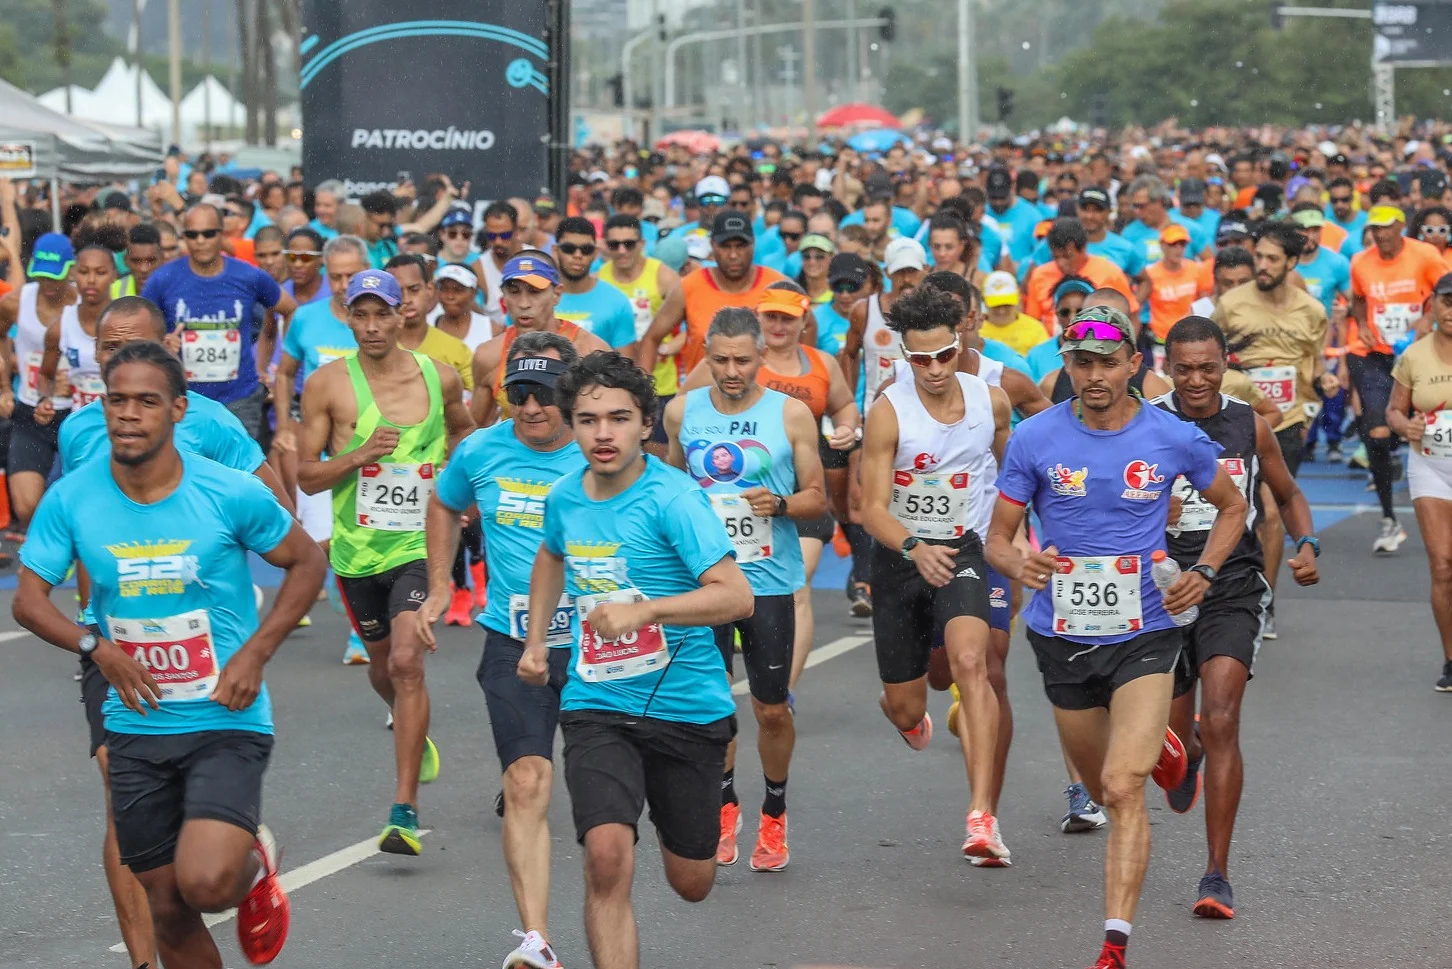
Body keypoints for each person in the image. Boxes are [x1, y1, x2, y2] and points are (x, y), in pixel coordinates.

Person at [13, 339, 326, 969]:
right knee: (169, 908)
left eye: (146, 402)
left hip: (223, 717)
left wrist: (255, 654)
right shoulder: (73, 497)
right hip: (135, 724)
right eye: (117, 400)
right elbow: (28, 599)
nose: (129, 414)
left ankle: (250, 869)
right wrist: (96, 648)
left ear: (179, 410)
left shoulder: (225, 491)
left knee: (205, 883)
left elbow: (306, 561)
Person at [986, 304, 1248, 969]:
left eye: (1107, 361)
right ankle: (1164, 743)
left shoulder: (1172, 435)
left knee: (1125, 786)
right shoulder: (1034, 438)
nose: (1094, 375)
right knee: (1104, 786)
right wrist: (1022, 562)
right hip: (1061, 633)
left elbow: (1233, 506)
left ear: (1135, 363)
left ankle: (1114, 944)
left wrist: (1207, 569)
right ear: (1065, 364)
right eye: (1080, 361)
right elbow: (997, 539)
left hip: (1146, 630)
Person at [519, 350, 753, 969]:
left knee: (692, 882)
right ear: (571, 424)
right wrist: (538, 641)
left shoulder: (675, 499)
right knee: (606, 856)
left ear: (646, 423)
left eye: (618, 418)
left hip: (686, 708)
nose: (602, 433)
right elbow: (551, 555)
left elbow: (736, 597)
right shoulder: (565, 496)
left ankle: (705, 802)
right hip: (597, 702)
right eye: (588, 419)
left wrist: (646, 612)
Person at [419, 332, 585, 969]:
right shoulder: (481, 450)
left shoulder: (602, 451)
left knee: (610, 815)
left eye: (545, 393)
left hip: (604, 645)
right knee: (527, 781)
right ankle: (536, 939)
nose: (532, 406)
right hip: (515, 641)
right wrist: (440, 584)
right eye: (520, 393)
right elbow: (443, 503)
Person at [296, 269, 474, 854]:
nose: (372, 326)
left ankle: (402, 810)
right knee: (382, 670)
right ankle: (412, 728)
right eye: (360, 314)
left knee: (405, 661)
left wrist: (460, 493)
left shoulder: (440, 377)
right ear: (347, 316)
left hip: (420, 546)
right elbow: (307, 475)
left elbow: (465, 435)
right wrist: (359, 454)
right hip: (356, 552)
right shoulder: (327, 385)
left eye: (382, 314)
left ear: (404, 314)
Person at [1155, 315, 1320, 920]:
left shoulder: (1248, 425)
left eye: (1207, 366)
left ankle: (1216, 873)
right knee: (1169, 740)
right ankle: (1185, 751)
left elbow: (1289, 493)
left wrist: (1307, 545)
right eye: (1184, 368)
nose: (1196, 379)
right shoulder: (1147, 424)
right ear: (1167, 367)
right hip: (1161, 590)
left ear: (1225, 363)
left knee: (1222, 717)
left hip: (1232, 585)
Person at [664, 306, 826, 871]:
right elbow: (668, 488)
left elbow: (817, 498)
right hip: (707, 582)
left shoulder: (793, 415)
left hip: (768, 584)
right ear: (704, 356)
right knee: (711, 704)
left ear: (763, 356)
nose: (731, 371)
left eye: (743, 360)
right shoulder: (682, 412)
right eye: (720, 359)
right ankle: (725, 804)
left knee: (771, 708)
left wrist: (780, 504)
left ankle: (775, 813)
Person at [858, 284, 1016, 863]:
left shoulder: (990, 401)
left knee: (973, 665)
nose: (930, 369)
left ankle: (982, 817)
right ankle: (901, 712)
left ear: (960, 343)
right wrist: (913, 546)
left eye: (942, 355)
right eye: (917, 359)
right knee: (908, 704)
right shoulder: (888, 412)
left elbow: (1015, 472)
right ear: (903, 355)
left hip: (964, 550)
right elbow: (869, 507)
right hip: (901, 558)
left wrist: (1018, 534)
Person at [1211, 221, 1329, 636]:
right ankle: (1230, 591)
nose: (1261, 265)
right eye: (1258, 256)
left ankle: (1265, 601)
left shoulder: (1312, 311)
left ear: (1292, 262)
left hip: (1287, 421)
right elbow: (1210, 355)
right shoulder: (1231, 304)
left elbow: (1313, 365)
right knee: (1240, 508)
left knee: (1273, 511)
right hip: (1236, 418)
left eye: (1271, 259)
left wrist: (1324, 381)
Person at [143, 204, 298, 440]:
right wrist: (160, 346)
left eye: (209, 233)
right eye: (192, 234)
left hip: (240, 399)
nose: (201, 240)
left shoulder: (248, 276)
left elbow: (289, 310)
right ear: (184, 237)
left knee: (240, 473)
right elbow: (141, 328)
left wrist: (274, 364)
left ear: (222, 234)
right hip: (184, 400)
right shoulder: (163, 279)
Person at [1348, 204, 1446, 554]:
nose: (1381, 234)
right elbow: (1358, 298)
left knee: (1430, 424)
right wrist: (1360, 324)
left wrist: (1427, 319)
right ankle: (1390, 518)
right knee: (1376, 432)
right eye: (1375, 228)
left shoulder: (1425, 255)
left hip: (1419, 352)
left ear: (1402, 226)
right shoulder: (1361, 261)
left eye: (1387, 227)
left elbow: (1445, 288)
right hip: (1374, 355)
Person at [1387, 273, 1452, 691]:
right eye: (1447, 302)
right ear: (1433, 305)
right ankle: (1451, 658)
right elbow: (1394, 411)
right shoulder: (1414, 355)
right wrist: (1403, 426)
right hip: (1432, 467)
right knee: (1443, 566)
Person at [634, 212, 788, 379]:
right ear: (712, 245)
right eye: (725, 246)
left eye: (741, 246)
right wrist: (643, 392)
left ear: (753, 245)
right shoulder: (690, 286)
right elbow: (650, 339)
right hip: (704, 398)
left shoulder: (776, 286)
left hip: (765, 398)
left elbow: (805, 328)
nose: (734, 255)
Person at [471, 253, 610, 426]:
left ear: (557, 294)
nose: (523, 303)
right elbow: (476, 429)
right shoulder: (488, 356)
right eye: (514, 292)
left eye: (534, 292)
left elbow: (612, 421)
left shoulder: (590, 351)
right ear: (503, 296)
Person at [1, 232, 77, 533]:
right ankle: (53, 550)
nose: (47, 285)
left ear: (69, 270)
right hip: (30, 412)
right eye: (41, 277)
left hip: (75, 413)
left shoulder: (85, 304)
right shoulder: (16, 303)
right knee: (25, 505)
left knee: (81, 500)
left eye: (54, 277)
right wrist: (5, 388)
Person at [598, 214, 684, 453]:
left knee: (659, 454)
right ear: (606, 246)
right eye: (615, 244)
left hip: (661, 383)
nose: (622, 250)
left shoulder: (662, 275)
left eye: (629, 244)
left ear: (642, 244)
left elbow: (693, 325)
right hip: (612, 385)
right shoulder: (599, 278)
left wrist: (668, 347)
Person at [842, 237, 930, 414]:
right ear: (887, 272)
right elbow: (849, 355)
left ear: (926, 270)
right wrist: (849, 405)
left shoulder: (937, 312)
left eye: (912, 271)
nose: (906, 279)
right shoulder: (864, 311)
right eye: (899, 272)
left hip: (924, 413)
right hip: (876, 410)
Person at [42, 243, 115, 411]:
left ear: (114, 275)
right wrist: (46, 399)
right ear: (74, 274)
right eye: (83, 272)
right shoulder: (61, 326)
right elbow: (45, 376)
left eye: (100, 272)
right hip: (81, 424)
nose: (91, 280)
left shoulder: (128, 321)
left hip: (122, 422)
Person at [553, 217, 636, 349]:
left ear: (595, 253)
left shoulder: (617, 301)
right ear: (555, 250)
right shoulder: (537, 297)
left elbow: (626, 365)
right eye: (569, 248)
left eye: (586, 249)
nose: (578, 255)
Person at [1137, 224, 1205, 349]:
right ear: (1162, 245)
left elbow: (1206, 301)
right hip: (1161, 341)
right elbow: (1136, 305)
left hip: (1192, 337)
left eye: (1182, 244)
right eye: (1173, 244)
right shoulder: (1150, 274)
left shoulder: (1196, 269)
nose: (1178, 249)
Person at [980, 271, 1051, 356]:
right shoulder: (975, 328)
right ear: (983, 301)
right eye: (996, 305)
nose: (1001, 311)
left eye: (1007, 305)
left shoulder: (1035, 329)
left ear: (1018, 299)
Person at [430, 264, 494, 352]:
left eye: (458, 290)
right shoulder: (426, 326)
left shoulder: (491, 329)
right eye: (444, 289)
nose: (450, 296)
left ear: (473, 293)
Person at [110, 224, 166, 299]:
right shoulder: (111, 292)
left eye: (151, 261)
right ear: (125, 260)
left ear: (162, 259)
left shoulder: (177, 289)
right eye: (136, 261)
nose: (144, 269)